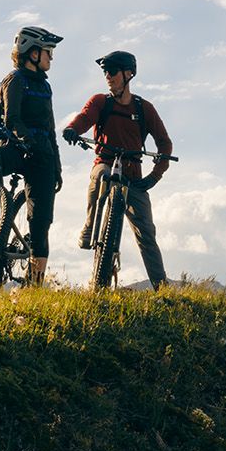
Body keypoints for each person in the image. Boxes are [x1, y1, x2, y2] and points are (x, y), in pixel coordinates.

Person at [64, 49, 172, 289]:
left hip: (134, 176)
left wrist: (154, 177)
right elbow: (85, 117)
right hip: (105, 162)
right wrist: (73, 129)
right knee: (101, 175)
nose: (107, 76)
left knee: (147, 233)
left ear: (128, 74)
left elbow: (165, 143)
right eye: (105, 72)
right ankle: (91, 224)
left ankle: (162, 287)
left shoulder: (144, 109)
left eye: (112, 71)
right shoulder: (100, 102)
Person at [0, 25, 65, 284]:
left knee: (41, 221)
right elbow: (12, 119)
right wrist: (28, 141)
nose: (51, 57)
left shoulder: (45, 88)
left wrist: (56, 165)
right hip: (17, 148)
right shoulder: (14, 80)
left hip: (42, 155)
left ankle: (34, 283)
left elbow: (51, 129)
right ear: (32, 53)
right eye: (48, 52)